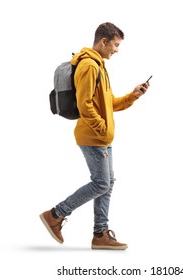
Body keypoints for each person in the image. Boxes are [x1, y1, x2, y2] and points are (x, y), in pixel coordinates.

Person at [40, 22, 150, 250]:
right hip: (93, 137)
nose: (116, 50)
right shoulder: (89, 65)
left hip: (103, 137)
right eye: (116, 45)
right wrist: (101, 128)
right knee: (101, 183)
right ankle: (55, 215)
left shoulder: (99, 66)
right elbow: (85, 103)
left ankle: (100, 233)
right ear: (103, 41)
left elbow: (108, 103)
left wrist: (133, 96)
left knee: (107, 183)